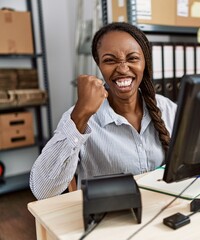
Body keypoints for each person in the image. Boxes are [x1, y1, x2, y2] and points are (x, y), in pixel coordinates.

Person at [30, 22, 177, 200]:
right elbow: (42, 190)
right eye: (110, 60)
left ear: (145, 62)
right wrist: (80, 114)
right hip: (109, 221)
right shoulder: (80, 117)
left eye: (132, 58)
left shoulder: (168, 109)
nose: (123, 69)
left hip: (162, 212)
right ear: (98, 65)